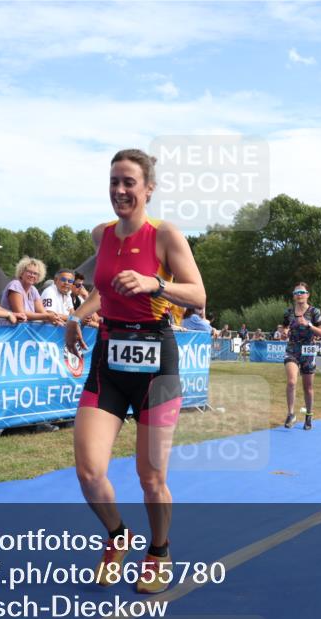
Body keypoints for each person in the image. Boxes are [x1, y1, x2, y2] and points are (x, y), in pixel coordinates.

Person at [64, 148, 205, 595]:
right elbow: (103, 290)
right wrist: (74, 316)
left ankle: (158, 551)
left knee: (151, 477)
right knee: (88, 470)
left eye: (129, 182)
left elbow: (199, 295)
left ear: (148, 188)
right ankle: (117, 535)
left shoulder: (166, 236)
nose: (120, 191)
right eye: (114, 182)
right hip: (109, 359)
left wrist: (155, 283)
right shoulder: (100, 235)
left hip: (156, 363)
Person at [281, 282, 321, 430]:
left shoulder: (314, 312)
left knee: (308, 387)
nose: (299, 295)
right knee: (292, 381)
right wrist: (284, 332)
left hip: (308, 349)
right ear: (293, 297)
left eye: (302, 292)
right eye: (296, 293)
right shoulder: (288, 312)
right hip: (292, 348)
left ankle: (309, 415)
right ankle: (291, 413)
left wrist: (308, 325)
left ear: (307, 295)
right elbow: (284, 327)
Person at [2, 257, 63, 324]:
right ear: (21, 272)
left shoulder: (33, 290)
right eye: (29, 272)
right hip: (7, 329)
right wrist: (47, 316)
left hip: (24, 330)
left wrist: (55, 320)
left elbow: (42, 312)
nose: (32, 275)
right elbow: (21, 313)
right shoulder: (15, 285)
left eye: (35, 273)